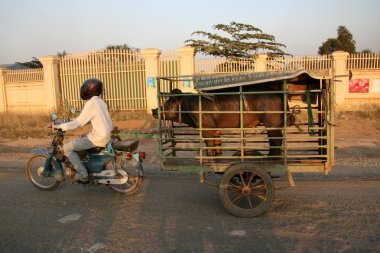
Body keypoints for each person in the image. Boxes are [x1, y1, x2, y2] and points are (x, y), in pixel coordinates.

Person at [53, 78, 113, 182]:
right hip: (106, 134)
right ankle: (85, 162)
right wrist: (73, 120)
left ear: (89, 90)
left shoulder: (91, 103)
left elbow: (79, 123)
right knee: (83, 136)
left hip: (98, 137)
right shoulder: (100, 102)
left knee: (67, 148)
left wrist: (61, 126)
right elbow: (88, 117)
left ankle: (82, 173)